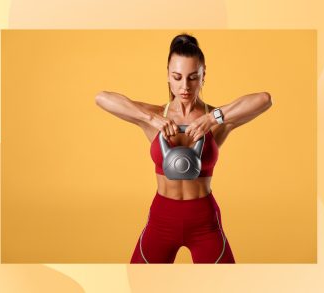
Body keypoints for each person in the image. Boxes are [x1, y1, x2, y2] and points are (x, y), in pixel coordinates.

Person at [95, 33, 272, 264]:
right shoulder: (156, 116)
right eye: (177, 77)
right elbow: (101, 98)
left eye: (192, 77)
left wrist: (212, 118)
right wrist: (151, 119)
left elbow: (265, 99)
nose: (184, 86)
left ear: (203, 76)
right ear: (168, 75)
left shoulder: (218, 120)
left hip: (204, 221)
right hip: (162, 218)